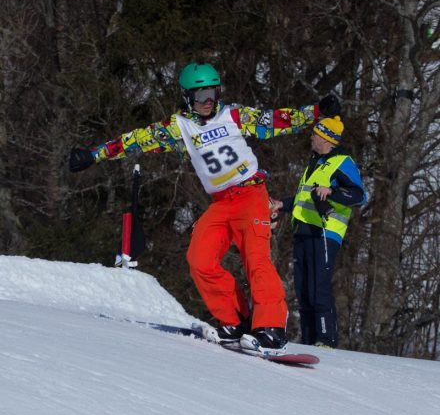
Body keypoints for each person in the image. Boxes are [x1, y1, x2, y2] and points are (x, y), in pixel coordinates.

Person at [69, 62, 340, 354]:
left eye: (211, 93)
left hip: (250, 195)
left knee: (256, 261)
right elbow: (136, 140)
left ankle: (270, 327)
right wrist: (93, 155)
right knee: (200, 259)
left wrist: (316, 111)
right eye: (200, 96)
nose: (208, 101)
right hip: (221, 203)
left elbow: (275, 120)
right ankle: (236, 320)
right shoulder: (179, 127)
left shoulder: (233, 115)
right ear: (188, 97)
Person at [270, 115, 365, 348]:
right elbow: (305, 197)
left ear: (325, 138)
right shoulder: (315, 161)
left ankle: (326, 339)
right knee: (302, 289)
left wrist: (332, 193)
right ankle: (309, 339)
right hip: (304, 230)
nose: (311, 137)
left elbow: (359, 195)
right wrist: (282, 204)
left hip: (325, 231)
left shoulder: (342, 162)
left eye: (315, 133)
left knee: (318, 287)